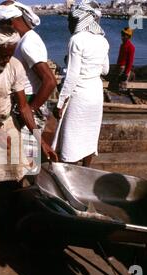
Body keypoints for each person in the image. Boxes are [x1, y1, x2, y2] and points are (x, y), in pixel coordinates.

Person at [0, 25, 57, 182]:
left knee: (18, 167)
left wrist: (41, 142)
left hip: (5, 120)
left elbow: (24, 107)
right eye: (2, 56)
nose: (6, 60)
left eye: (10, 55)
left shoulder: (14, 66)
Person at [0, 1, 57, 170]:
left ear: (11, 22)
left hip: (28, 104)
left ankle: (31, 193)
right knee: (23, 161)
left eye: (1, 25)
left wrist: (31, 109)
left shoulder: (28, 43)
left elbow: (49, 81)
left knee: (28, 165)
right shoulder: (23, 40)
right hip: (24, 106)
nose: (1, 30)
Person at [56, 1, 109, 168]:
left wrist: (60, 102)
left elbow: (72, 76)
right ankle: (86, 170)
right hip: (96, 92)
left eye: (71, 20)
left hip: (80, 94)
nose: (68, 24)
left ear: (81, 19)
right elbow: (106, 70)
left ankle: (69, 173)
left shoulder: (76, 40)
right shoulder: (102, 40)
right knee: (90, 135)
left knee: (71, 138)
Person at [116, 27, 135, 93]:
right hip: (119, 67)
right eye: (122, 35)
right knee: (117, 84)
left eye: (124, 35)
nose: (122, 37)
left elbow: (130, 62)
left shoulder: (131, 47)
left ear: (128, 37)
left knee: (123, 86)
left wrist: (126, 73)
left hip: (124, 69)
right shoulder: (122, 45)